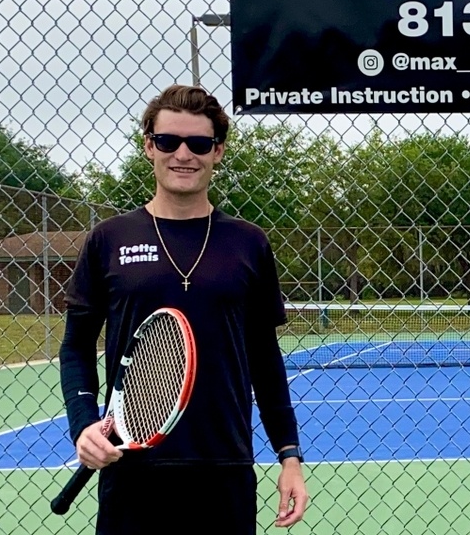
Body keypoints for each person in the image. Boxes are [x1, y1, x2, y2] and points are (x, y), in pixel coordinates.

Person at [58, 85, 309, 533]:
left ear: (218, 152)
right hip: (131, 468)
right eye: (169, 141)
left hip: (224, 466)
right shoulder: (108, 239)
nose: (183, 155)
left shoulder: (248, 243)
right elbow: (76, 347)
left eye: (199, 144)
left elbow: (266, 361)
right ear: (149, 147)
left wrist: (289, 455)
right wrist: (83, 426)